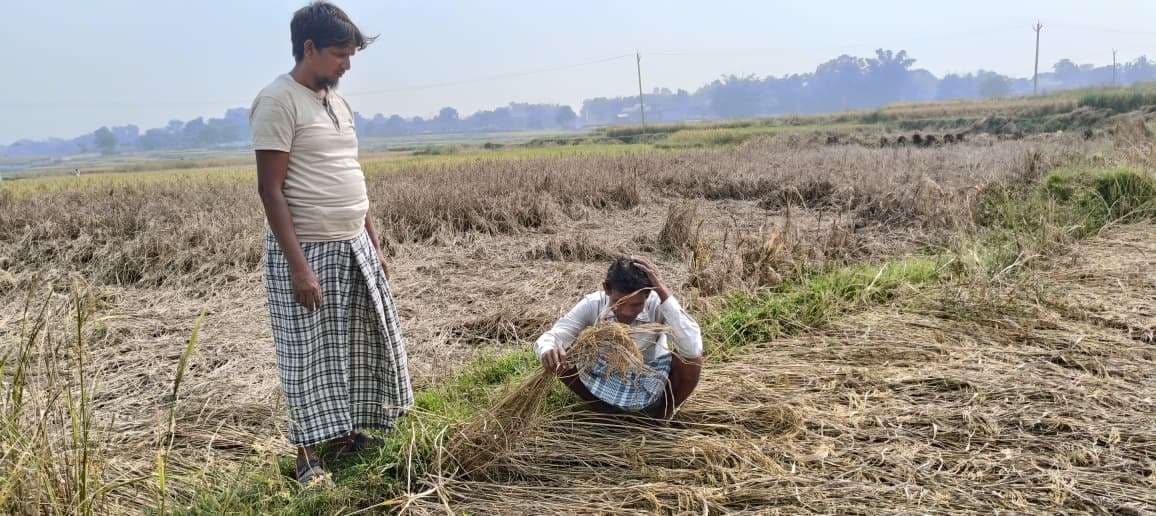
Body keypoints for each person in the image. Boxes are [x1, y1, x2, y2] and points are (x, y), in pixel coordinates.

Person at [250, 1, 412, 487]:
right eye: (340, 54)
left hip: (353, 244)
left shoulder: (337, 101)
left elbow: (350, 175)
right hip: (308, 250)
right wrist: (300, 268)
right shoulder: (277, 101)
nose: (347, 65)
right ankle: (307, 459)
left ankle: (351, 433)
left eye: (351, 55)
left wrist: (375, 243)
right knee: (308, 353)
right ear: (309, 48)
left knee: (362, 341)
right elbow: (270, 189)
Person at [536, 256, 703, 419]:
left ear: (648, 295)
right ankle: (605, 414)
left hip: (651, 375)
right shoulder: (594, 304)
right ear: (607, 289)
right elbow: (552, 336)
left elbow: (692, 345)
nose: (627, 312)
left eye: (636, 305)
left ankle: (661, 417)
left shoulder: (658, 305)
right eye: (620, 302)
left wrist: (663, 291)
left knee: (691, 360)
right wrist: (548, 349)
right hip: (606, 375)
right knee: (562, 354)